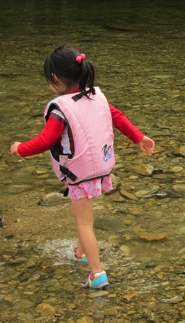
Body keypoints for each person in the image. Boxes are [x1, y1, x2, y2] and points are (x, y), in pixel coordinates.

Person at [10, 46, 155, 289]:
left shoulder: (60, 109)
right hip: (100, 167)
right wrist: (139, 137)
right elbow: (117, 118)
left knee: (84, 222)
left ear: (55, 78)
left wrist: (20, 148)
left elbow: (46, 141)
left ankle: (97, 273)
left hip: (79, 174)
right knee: (81, 215)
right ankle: (79, 252)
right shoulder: (95, 96)